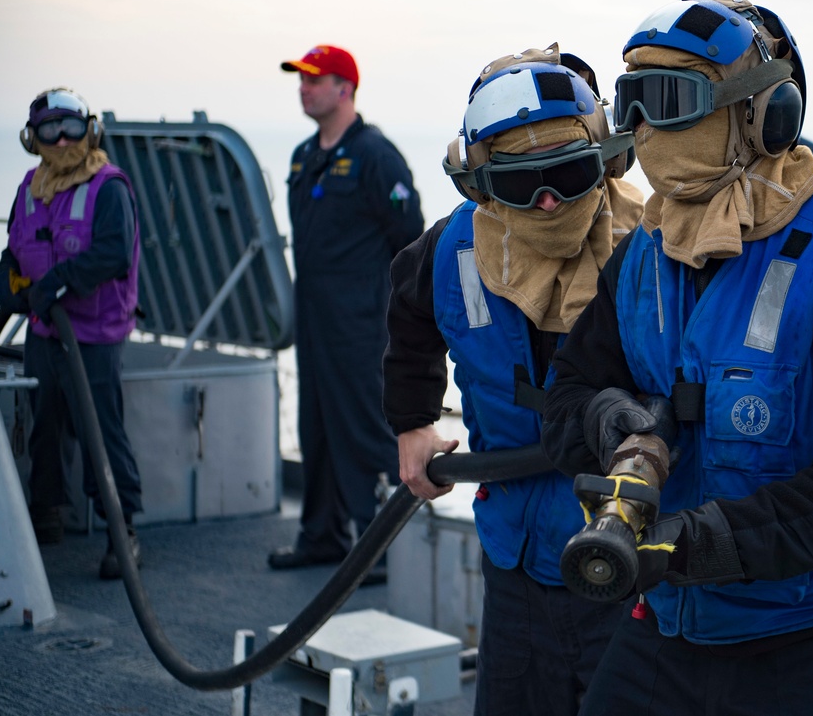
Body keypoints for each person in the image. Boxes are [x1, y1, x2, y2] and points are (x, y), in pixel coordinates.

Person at [541, 0, 813, 715]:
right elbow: (567, 391)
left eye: (672, 100)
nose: (648, 129)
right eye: (633, 104)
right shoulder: (642, 255)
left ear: (765, 113)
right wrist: (608, 423)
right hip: (669, 625)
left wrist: (709, 543)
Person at [382, 44, 644, 715]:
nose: (550, 201)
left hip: (631, 560)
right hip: (515, 555)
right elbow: (410, 316)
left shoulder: (653, 243)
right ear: (479, 183)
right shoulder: (451, 249)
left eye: (566, 172)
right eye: (524, 184)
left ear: (607, 157)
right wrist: (413, 422)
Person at [268, 45, 425, 571]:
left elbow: (409, 235)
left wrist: (394, 310)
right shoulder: (302, 156)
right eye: (301, 79)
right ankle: (322, 535)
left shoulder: (375, 156)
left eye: (316, 79)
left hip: (359, 320)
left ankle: (378, 547)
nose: (304, 87)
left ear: (345, 89)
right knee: (315, 425)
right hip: (313, 317)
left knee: (363, 427)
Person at [0, 87, 143, 580]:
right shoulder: (29, 188)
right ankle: (46, 514)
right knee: (44, 424)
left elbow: (114, 253)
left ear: (89, 129)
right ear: (31, 139)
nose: (60, 140)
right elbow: (15, 248)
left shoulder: (108, 187)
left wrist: (57, 282)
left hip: (93, 333)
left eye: (70, 127)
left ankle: (123, 534)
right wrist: (5, 278)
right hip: (43, 328)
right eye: (49, 129)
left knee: (100, 429)